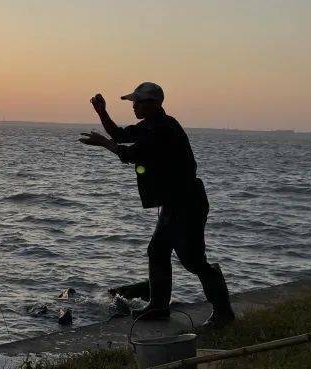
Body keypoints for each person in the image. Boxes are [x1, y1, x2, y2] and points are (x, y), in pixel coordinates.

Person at [80, 82, 235, 328]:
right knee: (158, 251)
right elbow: (121, 135)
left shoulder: (164, 129)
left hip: (187, 204)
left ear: (153, 104)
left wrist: (103, 143)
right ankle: (159, 307)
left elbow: (129, 154)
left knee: (193, 261)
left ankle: (223, 313)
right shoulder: (150, 126)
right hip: (173, 204)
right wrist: (101, 112)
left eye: (137, 102)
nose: (133, 106)